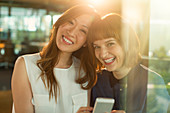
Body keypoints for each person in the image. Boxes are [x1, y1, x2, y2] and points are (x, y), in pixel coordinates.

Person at [11, 5, 100, 113]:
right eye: (70, 22)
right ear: (60, 23)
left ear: (86, 42)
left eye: (83, 30)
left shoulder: (84, 71)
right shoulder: (25, 65)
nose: (71, 32)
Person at [78, 13, 170, 113]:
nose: (103, 54)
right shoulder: (97, 79)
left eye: (110, 44)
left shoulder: (153, 81)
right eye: (97, 47)